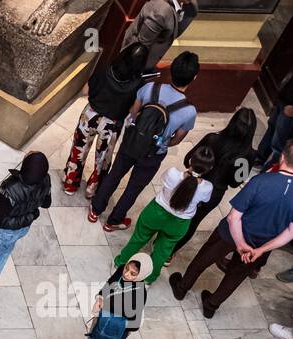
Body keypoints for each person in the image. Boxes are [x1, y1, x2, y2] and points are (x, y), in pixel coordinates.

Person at [172, 141, 293, 318]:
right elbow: (290, 232)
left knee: (204, 258)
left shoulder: (261, 181)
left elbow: (233, 217)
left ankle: (182, 288)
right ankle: (211, 305)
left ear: (282, 157)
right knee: (235, 276)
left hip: (230, 235)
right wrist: (261, 250)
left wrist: (240, 243)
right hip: (262, 244)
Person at [90, 53, 200, 232]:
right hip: (153, 153)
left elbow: (133, 113)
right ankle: (113, 221)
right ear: (194, 77)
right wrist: (162, 142)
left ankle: (95, 209)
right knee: (134, 187)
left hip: (131, 141)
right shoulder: (189, 111)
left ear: (171, 70)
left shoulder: (150, 88)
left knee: (114, 174)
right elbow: (177, 138)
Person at [0, 152, 52, 325]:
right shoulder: (45, 179)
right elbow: (46, 203)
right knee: (1, 257)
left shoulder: (11, 187)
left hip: (3, 230)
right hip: (22, 228)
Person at [61, 43, 152, 197]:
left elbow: (85, 91)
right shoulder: (139, 85)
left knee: (78, 150)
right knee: (102, 159)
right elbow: (132, 111)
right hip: (112, 124)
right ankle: (92, 189)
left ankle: (70, 184)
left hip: (90, 115)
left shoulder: (105, 69)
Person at [112, 146, 213, 283]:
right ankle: (149, 278)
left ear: (190, 161)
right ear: (209, 169)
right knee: (162, 252)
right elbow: (204, 201)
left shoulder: (172, 173)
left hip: (156, 213)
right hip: (179, 224)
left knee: (138, 238)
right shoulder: (207, 187)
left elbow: (163, 181)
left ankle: (121, 263)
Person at [177, 107, 259, 252]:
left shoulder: (212, 138)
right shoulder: (249, 154)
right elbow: (235, 183)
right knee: (193, 222)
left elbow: (187, 159)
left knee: (176, 211)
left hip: (192, 183)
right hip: (213, 195)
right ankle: (171, 252)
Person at [122, 0, 198, 69]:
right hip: (132, 65)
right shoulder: (161, 11)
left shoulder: (190, 7)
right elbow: (140, 46)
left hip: (147, 60)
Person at [257, 77, 293, 169]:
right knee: (271, 128)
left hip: (290, 112)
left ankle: (267, 173)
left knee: (279, 148)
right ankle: (259, 159)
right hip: (285, 100)